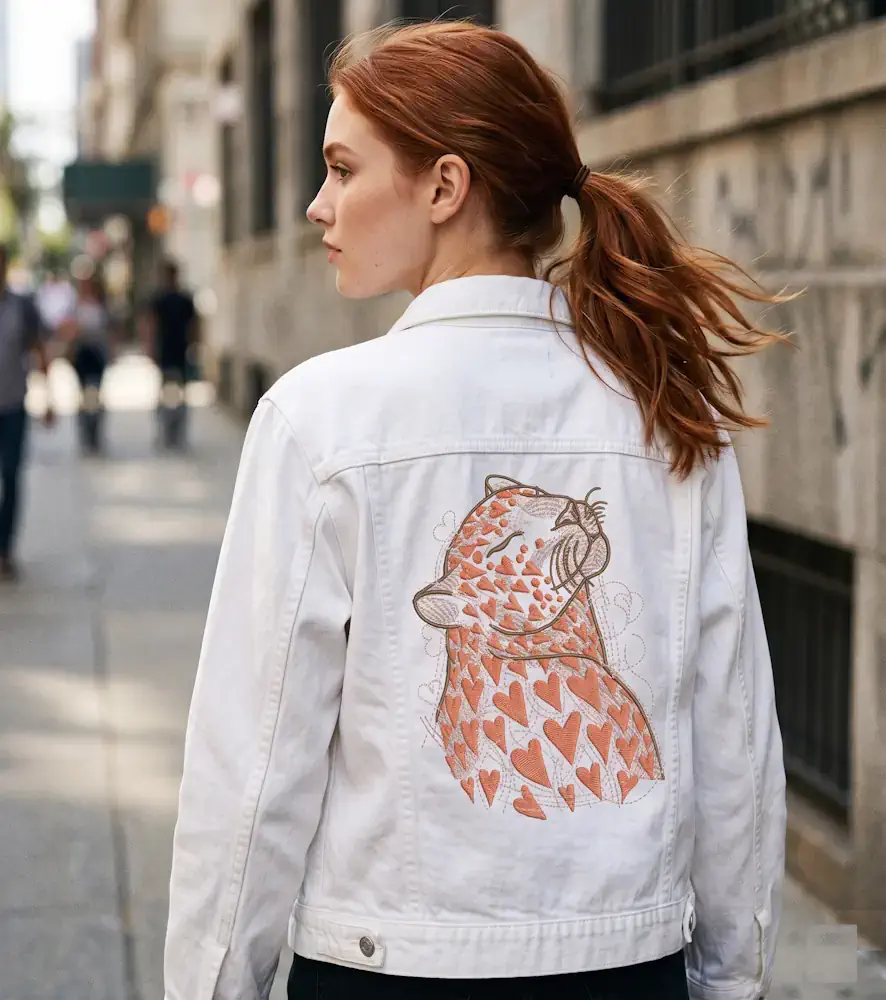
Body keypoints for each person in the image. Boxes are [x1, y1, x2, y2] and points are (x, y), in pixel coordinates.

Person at [165, 21, 787, 1000]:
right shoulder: (660, 408)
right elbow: (733, 731)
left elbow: (252, 769)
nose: (316, 205)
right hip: (623, 966)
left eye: (341, 167)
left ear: (444, 187)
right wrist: (727, 974)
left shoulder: (321, 419)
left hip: (387, 969)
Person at [0, 244, 55, 580]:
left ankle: (4, 548)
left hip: (12, 407)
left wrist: (48, 398)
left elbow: (38, 351)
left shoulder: (22, 306)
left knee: (11, 475)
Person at [142, 258, 198, 450]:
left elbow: (193, 326)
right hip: (167, 350)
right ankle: (166, 431)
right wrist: (150, 347)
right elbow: (151, 324)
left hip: (178, 350)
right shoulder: (160, 299)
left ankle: (175, 432)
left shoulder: (183, 299)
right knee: (167, 392)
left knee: (179, 394)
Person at [60, 275, 113, 454]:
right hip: (81, 354)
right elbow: (65, 328)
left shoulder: (101, 305)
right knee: (84, 394)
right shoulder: (74, 306)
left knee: (95, 393)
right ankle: (85, 432)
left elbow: (109, 330)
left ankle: (95, 432)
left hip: (97, 354)